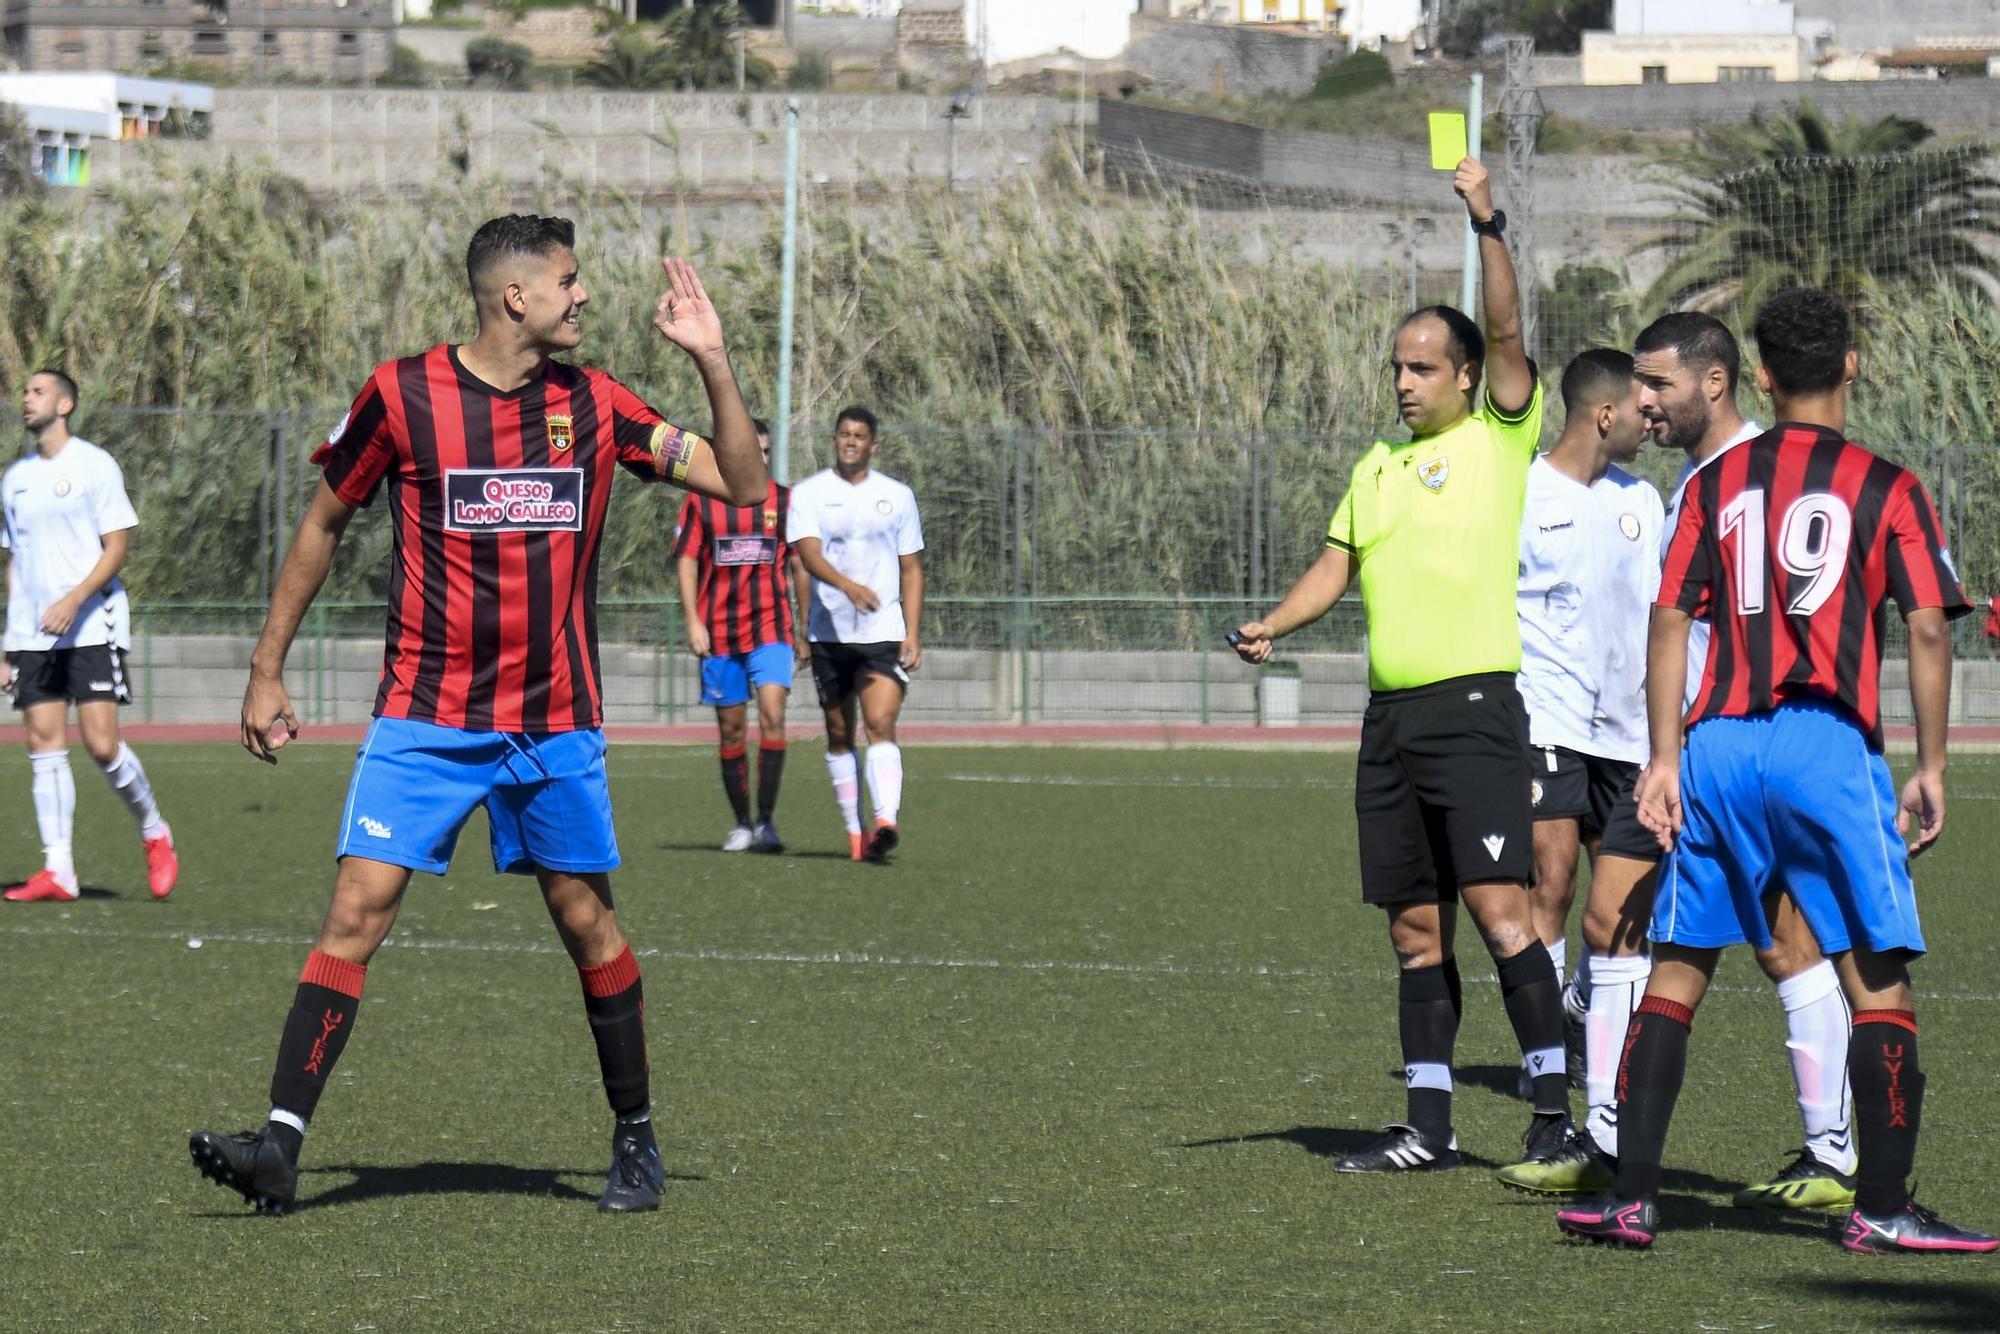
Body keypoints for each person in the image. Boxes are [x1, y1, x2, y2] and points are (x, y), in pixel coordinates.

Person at [187, 217, 767, 1216]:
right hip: (424, 718)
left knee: (585, 919)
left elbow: (744, 485)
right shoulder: (400, 395)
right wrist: (265, 665)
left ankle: (636, 1140)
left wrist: (713, 359)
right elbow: (324, 518)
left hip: (553, 724)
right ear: (516, 297)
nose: (582, 296)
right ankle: (279, 1146)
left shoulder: (597, 403)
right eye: (569, 281)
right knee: (354, 911)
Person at [1557, 287, 1995, 1253]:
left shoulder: (1713, 482)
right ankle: (1880, 1208)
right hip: (1825, 746)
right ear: (1850, 365)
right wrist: (1930, 764)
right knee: (1875, 981)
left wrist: (1666, 756)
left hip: (1715, 745)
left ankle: (1632, 1199)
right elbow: (1927, 624)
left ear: (1757, 376)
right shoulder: (1890, 484)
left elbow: (1669, 619)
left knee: (1674, 971)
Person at [1232, 157, 1575, 1175]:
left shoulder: (1496, 438)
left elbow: (1509, 332)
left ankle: (1551, 1109)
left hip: (1473, 712)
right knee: (1411, 929)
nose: (1402, 379)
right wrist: (1271, 626)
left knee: (1498, 910)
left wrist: (1486, 223)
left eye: (1421, 366)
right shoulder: (1372, 469)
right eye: (1395, 366)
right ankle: (1427, 1126)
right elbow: (1333, 567)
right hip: (1389, 725)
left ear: (1465, 376)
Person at [1627, 312, 1859, 1210]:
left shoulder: (1735, 482)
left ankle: (1623, 1161)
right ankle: (1832, 1152)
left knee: (1648, 929)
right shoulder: (1727, 475)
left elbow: (1692, 624)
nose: (1641, 402)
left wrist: (1667, 753)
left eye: (1657, 386)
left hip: (1725, 750)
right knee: (1781, 943)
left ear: (1716, 383)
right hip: (1735, 747)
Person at [1504, 348, 1662, 1107]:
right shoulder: (1520, 494)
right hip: (1546, 718)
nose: (1650, 417)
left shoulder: (1647, 500)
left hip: (1629, 734)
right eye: (1641, 405)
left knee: (1634, 905)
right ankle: (1546, 1061)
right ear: (1606, 414)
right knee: (1553, 879)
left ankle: (1576, 1007)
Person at [4, 370, 177, 903]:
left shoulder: (95, 465)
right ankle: (58, 870)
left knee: (101, 743)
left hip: (91, 622)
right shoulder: (14, 479)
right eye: (25, 392)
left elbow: (117, 547)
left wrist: (74, 599)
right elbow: (14, 564)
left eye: (38, 391)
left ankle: (153, 830)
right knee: (43, 744)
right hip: (33, 634)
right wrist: (8, 640)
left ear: (66, 403)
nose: (27, 399)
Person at [787, 406, 924, 863]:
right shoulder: (808, 494)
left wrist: (913, 631)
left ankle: (885, 820)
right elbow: (807, 555)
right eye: (844, 433)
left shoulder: (898, 495)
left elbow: (911, 567)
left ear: (873, 444)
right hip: (829, 634)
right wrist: (845, 587)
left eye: (859, 435)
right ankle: (854, 831)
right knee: (839, 732)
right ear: (835, 440)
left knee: (880, 724)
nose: (851, 441)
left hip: (882, 631)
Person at [674, 416, 807, 852]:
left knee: (772, 715)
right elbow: (688, 559)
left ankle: (767, 822)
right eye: (754, 450)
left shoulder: (785, 501)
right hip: (718, 635)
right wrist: (693, 620)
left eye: (767, 452)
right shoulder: (701, 500)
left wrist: (804, 628)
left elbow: (800, 565)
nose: (761, 458)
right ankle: (742, 824)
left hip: (771, 629)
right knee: (731, 732)